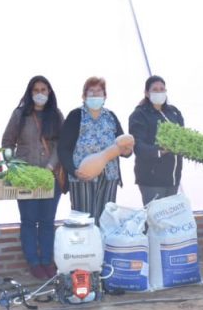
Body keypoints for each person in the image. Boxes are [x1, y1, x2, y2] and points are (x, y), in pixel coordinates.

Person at [1, 75, 65, 280]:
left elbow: (62, 144)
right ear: (30, 93)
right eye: (36, 90)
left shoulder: (56, 115)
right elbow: (7, 143)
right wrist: (13, 167)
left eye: (43, 90)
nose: (39, 94)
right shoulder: (20, 114)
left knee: (47, 221)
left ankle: (47, 261)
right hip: (25, 179)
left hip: (50, 177)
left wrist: (50, 166)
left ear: (49, 92)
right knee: (28, 221)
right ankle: (34, 263)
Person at [58, 76, 128, 224]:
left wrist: (128, 151)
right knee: (84, 220)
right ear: (84, 96)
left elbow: (123, 144)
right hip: (82, 175)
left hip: (109, 176)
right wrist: (74, 170)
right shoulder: (75, 116)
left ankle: (102, 240)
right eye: (91, 91)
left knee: (105, 220)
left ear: (105, 96)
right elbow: (63, 148)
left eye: (99, 91)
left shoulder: (111, 117)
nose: (95, 95)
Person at [129, 75, 184, 205]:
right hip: (151, 179)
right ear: (146, 93)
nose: (159, 92)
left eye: (162, 89)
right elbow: (138, 146)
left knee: (170, 215)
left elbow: (183, 136)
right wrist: (159, 150)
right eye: (155, 89)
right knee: (155, 216)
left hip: (173, 178)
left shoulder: (174, 112)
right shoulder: (139, 114)